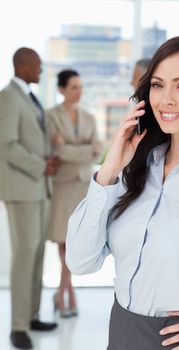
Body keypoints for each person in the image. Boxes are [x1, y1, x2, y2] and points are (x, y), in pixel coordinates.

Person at [65, 35, 179, 350]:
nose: (165, 99)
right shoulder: (135, 169)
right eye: (158, 85)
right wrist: (108, 172)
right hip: (121, 334)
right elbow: (80, 261)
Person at [0, 48, 59, 350]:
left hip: (39, 189)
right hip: (22, 190)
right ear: (22, 65)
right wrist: (41, 165)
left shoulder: (32, 97)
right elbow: (6, 146)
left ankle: (32, 315)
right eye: (37, 64)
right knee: (24, 257)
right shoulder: (8, 97)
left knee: (36, 255)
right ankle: (18, 326)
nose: (40, 68)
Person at [46, 69, 102, 318]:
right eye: (73, 87)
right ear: (61, 89)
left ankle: (63, 294)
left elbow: (97, 151)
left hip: (82, 187)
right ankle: (66, 294)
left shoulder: (89, 116)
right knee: (63, 241)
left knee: (74, 242)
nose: (79, 92)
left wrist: (69, 149)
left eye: (81, 87)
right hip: (62, 186)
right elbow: (58, 153)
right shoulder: (50, 117)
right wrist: (82, 150)